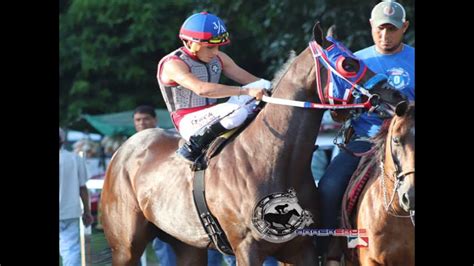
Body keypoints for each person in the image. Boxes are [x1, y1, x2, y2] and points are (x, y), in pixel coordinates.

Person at [317, 0, 414, 263]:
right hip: (365, 142)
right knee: (328, 187)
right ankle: (329, 252)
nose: (385, 36)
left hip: (408, 142)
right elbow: (339, 113)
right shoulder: (355, 62)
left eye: (392, 29)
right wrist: (342, 108)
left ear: (404, 27)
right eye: (380, 29)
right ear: (371, 26)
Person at [157, 11, 271, 163]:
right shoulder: (173, 64)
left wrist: (272, 88)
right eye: (210, 47)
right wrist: (246, 91)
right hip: (189, 121)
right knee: (238, 112)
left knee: (263, 85)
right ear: (190, 43)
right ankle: (193, 146)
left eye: (218, 47)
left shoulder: (219, 58)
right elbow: (202, 89)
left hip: (217, 115)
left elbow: (254, 82)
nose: (216, 52)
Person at [132, 105, 178, 266]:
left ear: (155, 120)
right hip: (141, 204)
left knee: (166, 243)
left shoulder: (169, 139)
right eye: (138, 120)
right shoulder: (132, 146)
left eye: (146, 119)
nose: (142, 123)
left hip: (168, 202)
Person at [59, 128, 94, 266]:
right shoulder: (75, 159)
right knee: (71, 250)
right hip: (70, 212)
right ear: (63, 141)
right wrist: (87, 211)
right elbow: (82, 188)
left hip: (70, 212)